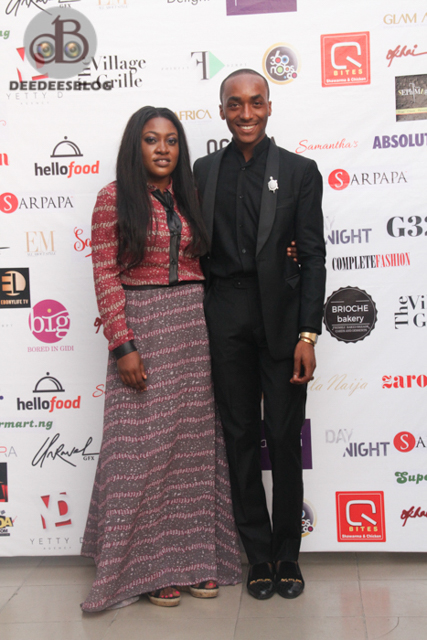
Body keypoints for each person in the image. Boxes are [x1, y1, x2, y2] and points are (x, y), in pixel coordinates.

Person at [81, 106, 242, 612]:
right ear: (136, 145)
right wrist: (122, 344)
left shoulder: (190, 194)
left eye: (171, 140)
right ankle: (146, 567)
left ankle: (195, 559)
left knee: (191, 452)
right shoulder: (112, 198)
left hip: (193, 328)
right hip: (143, 328)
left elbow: (221, 253)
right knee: (140, 454)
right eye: (152, 139)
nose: (163, 149)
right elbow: (104, 273)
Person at [193, 69, 326, 600]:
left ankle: (287, 554)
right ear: (222, 111)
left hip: (283, 321)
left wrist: (308, 334)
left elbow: (312, 256)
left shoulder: (299, 171)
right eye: (235, 104)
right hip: (224, 313)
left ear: (269, 106)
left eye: (255, 102)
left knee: (284, 439)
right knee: (240, 437)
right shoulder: (202, 171)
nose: (245, 113)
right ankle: (258, 556)